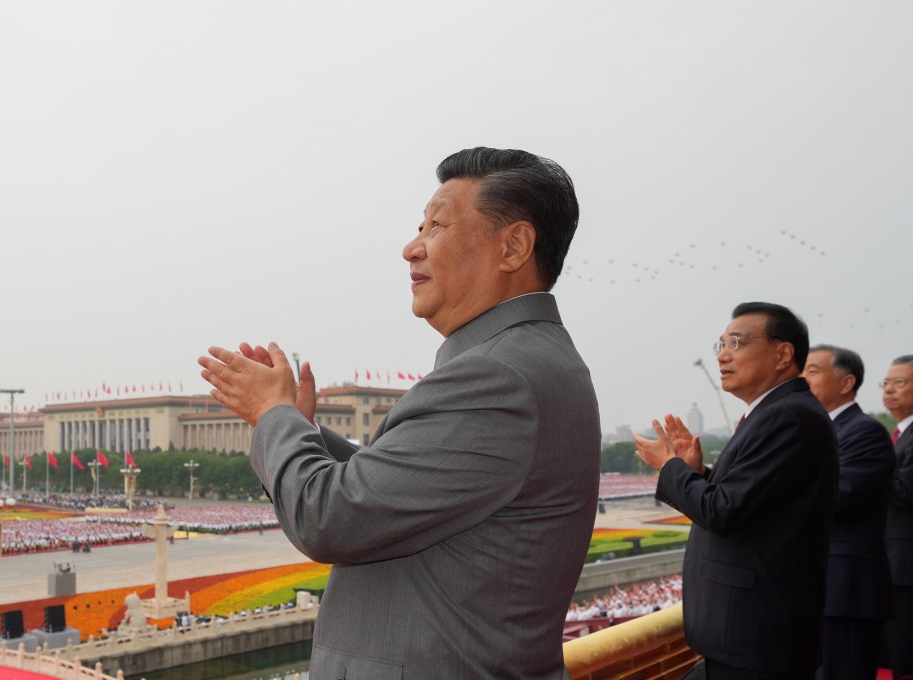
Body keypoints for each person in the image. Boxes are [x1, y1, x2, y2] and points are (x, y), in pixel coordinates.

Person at [198, 147, 600, 679]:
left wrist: (273, 415)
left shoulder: (496, 377)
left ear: (513, 246)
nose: (412, 248)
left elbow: (330, 518)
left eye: (437, 225)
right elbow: (401, 484)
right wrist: (296, 427)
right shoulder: (525, 360)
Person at [634, 302, 838, 680]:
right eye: (721, 345)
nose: (723, 355)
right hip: (750, 633)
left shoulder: (787, 416)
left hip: (757, 636)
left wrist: (670, 466)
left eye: (737, 342)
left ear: (783, 353)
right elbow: (752, 501)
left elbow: (722, 511)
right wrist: (697, 472)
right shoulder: (773, 414)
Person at [802, 345, 894, 680]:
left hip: (846, 588)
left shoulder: (864, 432)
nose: (801, 378)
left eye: (812, 371)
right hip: (815, 588)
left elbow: (841, 496)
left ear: (846, 382)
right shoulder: (816, 430)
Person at [882, 355, 913, 680]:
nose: (889, 390)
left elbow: (905, 491)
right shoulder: (900, 434)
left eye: (899, 383)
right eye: (886, 384)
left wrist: (872, 465)